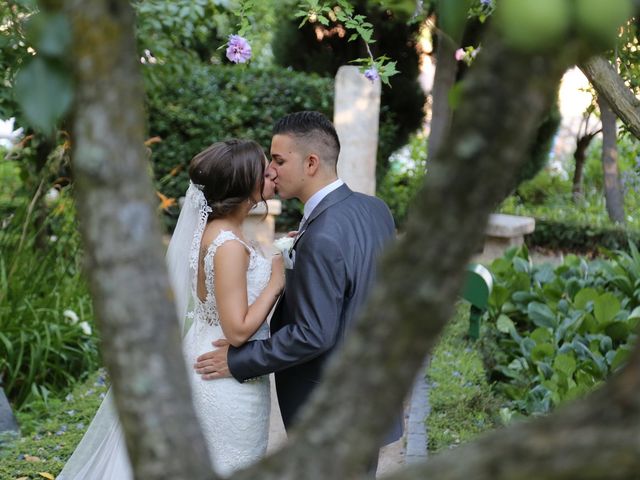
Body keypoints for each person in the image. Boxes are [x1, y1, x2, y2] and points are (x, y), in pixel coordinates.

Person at [57, 139, 284, 479]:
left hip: (210, 359)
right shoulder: (229, 245)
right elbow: (237, 329)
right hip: (224, 378)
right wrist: (276, 283)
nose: (270, 174)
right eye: (262, 170)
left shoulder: (215, 233)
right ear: (244, 184)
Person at [194, 111, 402, 471]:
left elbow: (313, 333)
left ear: (310, 163)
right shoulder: (374, 210)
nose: (270, 171)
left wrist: (238, 360)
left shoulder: (322, 235)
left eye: (278, 160)